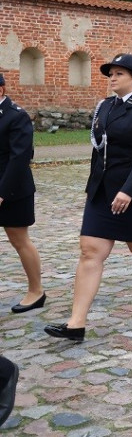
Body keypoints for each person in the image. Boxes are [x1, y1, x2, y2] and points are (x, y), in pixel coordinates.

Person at [45, 54, 132, 341]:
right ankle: (76, 323)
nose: (112, 77)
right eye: (110, 73)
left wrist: (129, 190)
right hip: (103, 191)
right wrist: (93, 187)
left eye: (119, 73)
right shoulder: (105, 107)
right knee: (90, 250)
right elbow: (99, 150)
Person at [0, 73, 45, 313]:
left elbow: (20, 158)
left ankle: (36, 290)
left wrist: (2, 193)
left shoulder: (16, 116)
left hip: (13, 188)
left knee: (19, 240)